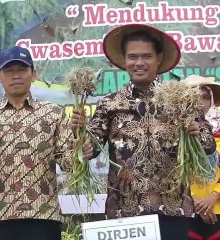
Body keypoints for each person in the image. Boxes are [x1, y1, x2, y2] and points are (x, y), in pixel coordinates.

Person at [70, 24, 216, 239]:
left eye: (146, 56)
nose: (139, 63)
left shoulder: (179, 100)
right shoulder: (110, 104)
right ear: (124, 60)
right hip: (124, 214)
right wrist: (80, 136)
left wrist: (196, 135)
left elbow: (208, 145)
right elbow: (91, 149)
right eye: (132, 57)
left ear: (159, 58)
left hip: (172, 209)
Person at [0, 46, 93, 240]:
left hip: (42, 217)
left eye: (22, 70)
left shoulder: (53, 113)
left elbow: (68, 164)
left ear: (33, 74)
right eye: (9, 71)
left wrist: (80, 151)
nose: (16, 76)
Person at [183, 75, 220, 239]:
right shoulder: (172, 135)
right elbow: (168, 171)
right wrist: (194, 198)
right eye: (193, 97)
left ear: (211, 101)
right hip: (185, 208)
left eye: (204, 97)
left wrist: (213, 196)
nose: (199, 102)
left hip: (217, 207)